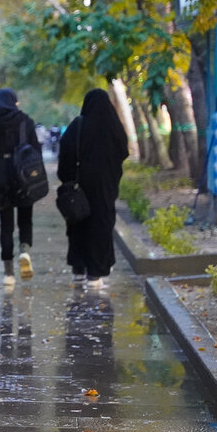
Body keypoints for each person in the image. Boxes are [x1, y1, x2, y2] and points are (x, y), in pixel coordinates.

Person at [58, 88, 128, 289]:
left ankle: (79, 268)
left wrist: (68, 179)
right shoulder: (113, 127)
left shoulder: (78, 126)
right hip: (105, 187)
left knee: (78, 224)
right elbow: (123, 151)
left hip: (80, 186)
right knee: (102, 225)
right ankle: (96, 273)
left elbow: (65, 154)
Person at [0, 88, 39, 287]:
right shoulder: (26, 122)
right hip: (23, 177)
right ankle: (25, 250)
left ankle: (8, 273)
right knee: (25, 219)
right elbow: (35, 151)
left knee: (6, 224)